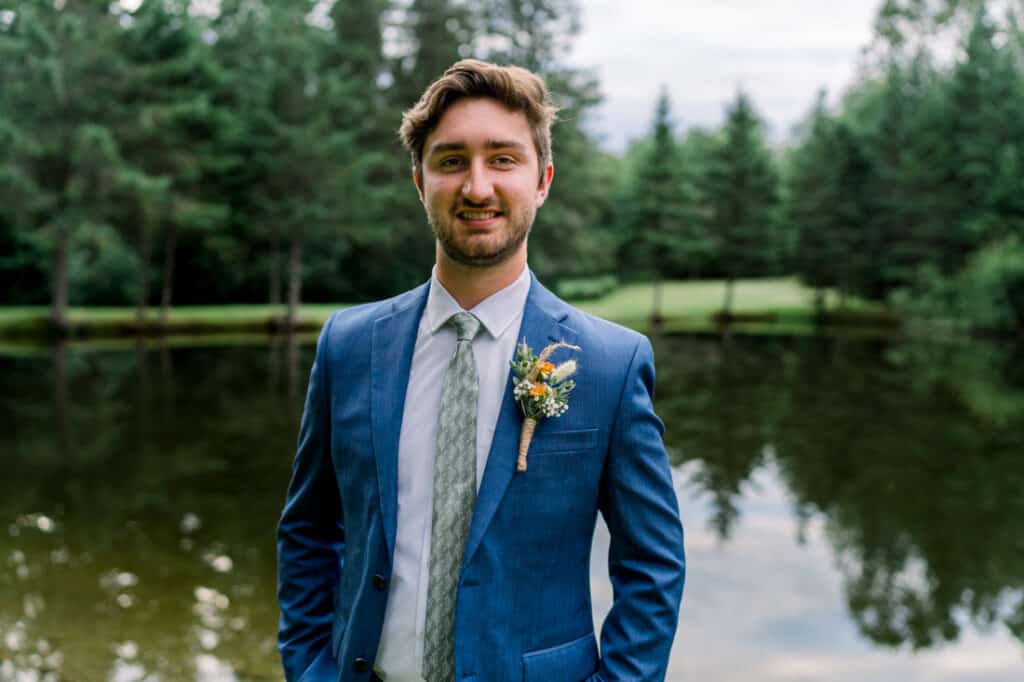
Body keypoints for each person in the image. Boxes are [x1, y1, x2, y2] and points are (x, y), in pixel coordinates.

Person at [276, 59, 685, 682]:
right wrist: (311, 668)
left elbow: (652, 567)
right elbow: (308, 530)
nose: (476, 187)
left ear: (542, 180)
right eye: (451, 160)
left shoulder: (610, 364)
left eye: (502, 159)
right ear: (419, 181)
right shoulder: (348, 347)